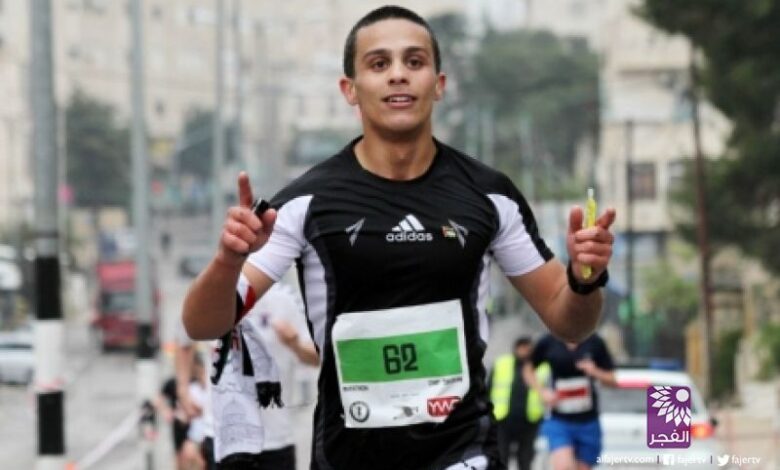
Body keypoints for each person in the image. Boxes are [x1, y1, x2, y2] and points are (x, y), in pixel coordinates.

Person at [182, 5, 616, 469]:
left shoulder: (490, 196)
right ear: (350, 89)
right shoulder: (304, 204)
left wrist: (584, 279)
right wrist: (228, 259)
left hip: (463, 454)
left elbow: (570, 322)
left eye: (414, 61)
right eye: (378, 63)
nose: (397, 75)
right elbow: (203, 324)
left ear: (439, 83)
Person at [524, 333, 617, 470]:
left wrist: (595, 371)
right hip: (559, 419)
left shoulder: (595, 342)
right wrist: (542, 392)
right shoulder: (548, 341)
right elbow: (527, 370)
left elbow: (612, 380)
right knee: (564, 466)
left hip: (588, 421)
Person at [489, 337, 548, 470]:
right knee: (501, 458)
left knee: (525, 460)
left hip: (529, 421)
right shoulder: (501, 363)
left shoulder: (543, 367)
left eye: (528, 348)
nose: (525, 351)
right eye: (522, 347)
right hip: (503, 421)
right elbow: (488, 389)